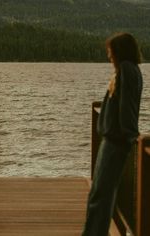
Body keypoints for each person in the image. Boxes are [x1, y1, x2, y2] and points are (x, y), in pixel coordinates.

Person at [82, 32, 143, 235]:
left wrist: (129, 134)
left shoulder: (127, 69)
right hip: (111, 140)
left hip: (116, 142)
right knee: (98, 193)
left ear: (120, 51)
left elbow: (128, 106)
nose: (109, 55)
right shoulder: (126, 70)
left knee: (102, 194)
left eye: (111, 50)